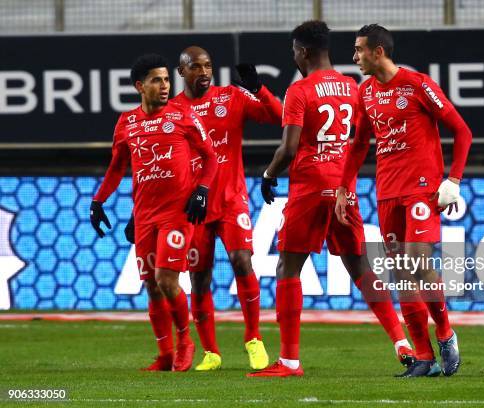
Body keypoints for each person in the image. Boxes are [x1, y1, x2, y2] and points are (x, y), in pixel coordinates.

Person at [249, 20, 415, 378]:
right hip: (343, 188)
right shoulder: (352, 85)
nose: (293, 57)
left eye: (294, 51)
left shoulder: (300, 90)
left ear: (304, 52)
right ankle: (401, 341)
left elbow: (288, 147)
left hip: (309, 188)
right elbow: (359, 140)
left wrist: (268, 174)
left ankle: (290, 361)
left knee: (288, 269)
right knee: (360, 269)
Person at [336, 24, 472, 377]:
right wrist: (342, 188)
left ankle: (445, 333)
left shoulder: (417, 84)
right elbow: (358, 145)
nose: (355, 57)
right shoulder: (364, 93)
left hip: (421, 188)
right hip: (387, 192)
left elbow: (462, 130)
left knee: (417, 259)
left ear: (378, 51)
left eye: (359, 50)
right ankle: (424, 358)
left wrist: (453, 179)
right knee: (401, 272)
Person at [90, 53, 217, 372]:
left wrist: (201, 189)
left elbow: (211, 157)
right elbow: (117, 166)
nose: (164, 86)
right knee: (150, 283)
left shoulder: (183, 116)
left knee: (166, 278)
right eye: (156, 80)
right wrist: (98, 200)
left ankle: (185, 341)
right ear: (139, 86)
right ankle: (164, 354)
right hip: (145, 215)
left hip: (177, 214)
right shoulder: (126, 122)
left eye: (166, 79)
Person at [172, 46, 282, 371]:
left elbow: (278, 117)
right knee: (199, 278)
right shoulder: (172, 110)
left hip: (232, 199)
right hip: (193, 207)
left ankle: (254, 338)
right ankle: (211, 352)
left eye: (208, 66)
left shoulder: (230, 97)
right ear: (182, 72)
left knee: (242, 261)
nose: (204, 72)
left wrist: (259, 89)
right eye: (195, 67)